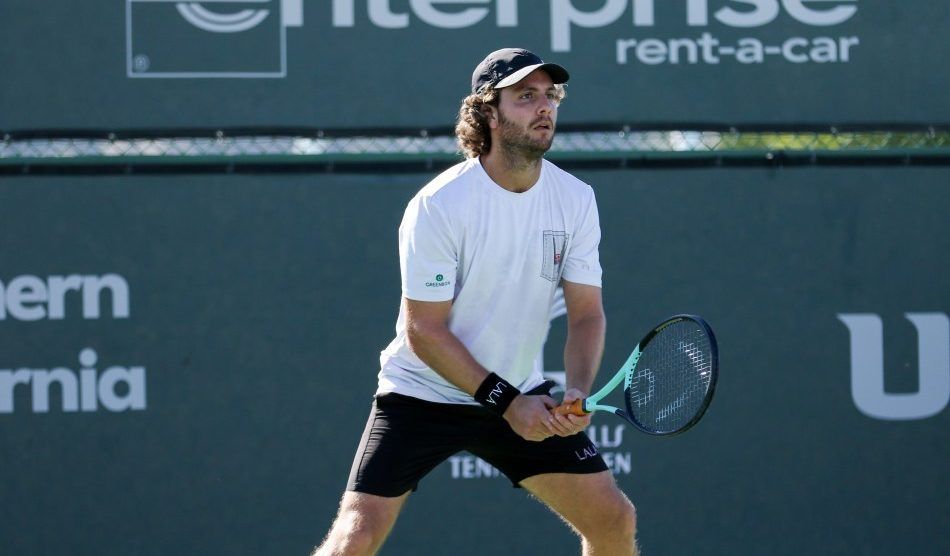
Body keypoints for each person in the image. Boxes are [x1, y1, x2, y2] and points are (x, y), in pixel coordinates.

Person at [313, 48, 638, 556]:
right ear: (487, 111)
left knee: (612, 519)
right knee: (357, 536)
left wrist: (575, 390)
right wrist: (507, 403)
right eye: (525, 96)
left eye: (550, 95)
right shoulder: (440, 205)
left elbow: (586, 313)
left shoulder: (576, 199)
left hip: (522, 390)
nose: (544, 107)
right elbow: (424, 330)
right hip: (423, 394)